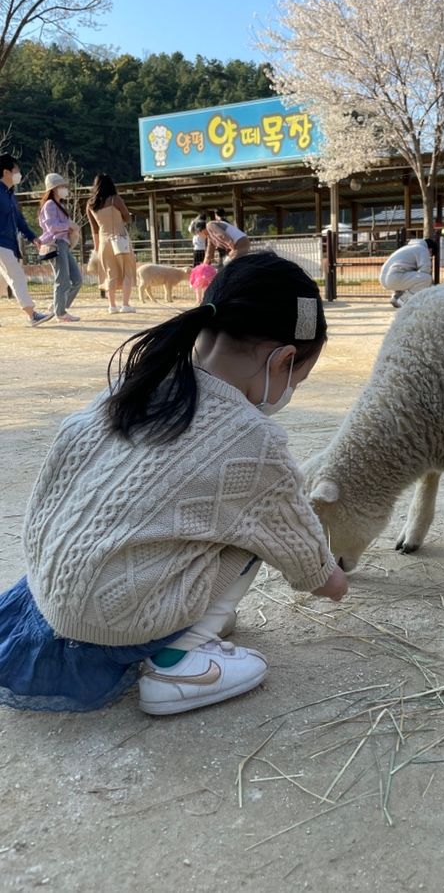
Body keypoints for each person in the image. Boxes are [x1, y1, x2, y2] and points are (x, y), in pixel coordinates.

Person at [0, 252, 348, 715]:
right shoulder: (254, 440)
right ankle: (179, 661)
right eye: (297, 380)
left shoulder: (141, 381)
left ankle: (184, 626)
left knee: (216, 514)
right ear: (283, 359)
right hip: (109, 617)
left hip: (48, 590)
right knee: (261, 524)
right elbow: (314, 571)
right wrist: (336, 580)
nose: (290, 391)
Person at [0, 154, 51, 326]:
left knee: (3, 282)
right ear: (6, 172)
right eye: (16, 170)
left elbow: (19, 221)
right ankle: (32, 314)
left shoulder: (10, 195)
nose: (19, 173)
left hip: (8, 243)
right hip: (2, 243)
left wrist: (33, 237)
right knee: (17, 277)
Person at [86, 174, 137, 314]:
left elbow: (94, 229)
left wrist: (96, 248)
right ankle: (125, 305)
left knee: (110, 274)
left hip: (103, 242)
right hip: (120, 239)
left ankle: (112, 306)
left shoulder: (90, 204)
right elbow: (127, 217)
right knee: (127, 271)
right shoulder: (115, 199)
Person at [38, 173, 83, 323]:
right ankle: (60, 312)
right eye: (61, 186)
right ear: (54, 188)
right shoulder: (50, 205)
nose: (64, 189)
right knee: (62, 280)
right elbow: (51, 227)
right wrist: (68, 226)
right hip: (56, 244)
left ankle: (58, 307)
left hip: (63, 244)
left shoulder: (59, 205)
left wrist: (69, 230)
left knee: (77, 280)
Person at [379, 237, 437, 308]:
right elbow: (425, 269)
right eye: (430, 255)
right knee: (427, 278)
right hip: (393, 278)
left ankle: (396, 297)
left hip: (383, 279)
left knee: (410, 275)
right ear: (430, 250)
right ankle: (403, 300)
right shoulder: (422, 249)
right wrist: (432, 285)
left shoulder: (408, 247)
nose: (429, 256)